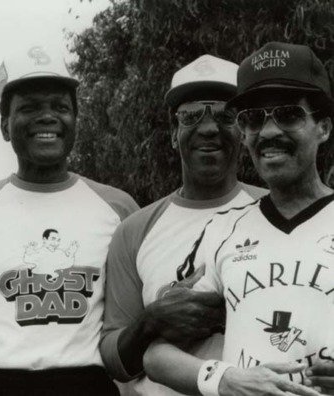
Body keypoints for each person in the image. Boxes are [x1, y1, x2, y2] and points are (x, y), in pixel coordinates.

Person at [0, 45, 139, 396]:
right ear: (5, 125)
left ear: (76, 121)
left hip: (85, 385)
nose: (47, 117)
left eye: (60, 107)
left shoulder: (119, 208)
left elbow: (129, 324)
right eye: (29, 107)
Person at [144, 41, 334, 396]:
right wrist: (224, 378)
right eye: (253, 119)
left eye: (289, 114)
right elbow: (157, 355)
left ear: (323, 127)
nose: (269, 132)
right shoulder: (223, 230)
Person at [100, 54, 267, 396]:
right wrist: (152, 321)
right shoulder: (135, 229)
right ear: (174, 134)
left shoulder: (276, 213)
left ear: (245, 131)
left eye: (226, 115)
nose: (208, 128)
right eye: (191, 116)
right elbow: (114, 361)